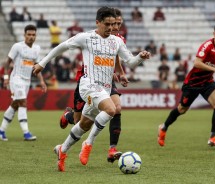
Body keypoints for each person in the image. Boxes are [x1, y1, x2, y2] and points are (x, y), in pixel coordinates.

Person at [33, 7, 150, 172]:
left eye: (113, 24)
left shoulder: (116, 41)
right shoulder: (86, 38)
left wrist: (140, 57)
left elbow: (130, 62)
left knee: (84, 124)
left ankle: (62, 149)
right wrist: (42, 63)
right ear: (98, 22)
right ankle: (88, 144)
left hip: (104, 88)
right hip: (88, 85)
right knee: (111, 109)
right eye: (107, 24)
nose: (111, 28)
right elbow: (61, 47)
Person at [59, 8, 130, 163]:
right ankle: (68, 117)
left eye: (119, 24)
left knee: (115, 108)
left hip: (106, 80)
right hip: (88, 79)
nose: (115, 27)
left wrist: (120, 72)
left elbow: (115, 57)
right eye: (113, 23)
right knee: (80, 121)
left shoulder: (118, 40)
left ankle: (112, 148)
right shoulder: (92, 37)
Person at [158, 23, 215, 147]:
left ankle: (212, 137)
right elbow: (197, 63)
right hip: (193, 83)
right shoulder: (207, 46)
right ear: (214, 34)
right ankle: (163, 128)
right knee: (182, 109)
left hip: (207, 82)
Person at [0, 25, 47, 141]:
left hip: (27, 81)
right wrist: (5, 77)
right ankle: (26, 133)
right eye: (29, 34)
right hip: (16, 78)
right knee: (23, 102)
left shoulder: (36, 49)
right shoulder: (17, 46)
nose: (31, 37)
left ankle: (1, 131)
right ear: (24, 35)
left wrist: (41, 81)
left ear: (36, 36)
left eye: (33, 35)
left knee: (15, 104)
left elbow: (36, 67)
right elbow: (7, 63)